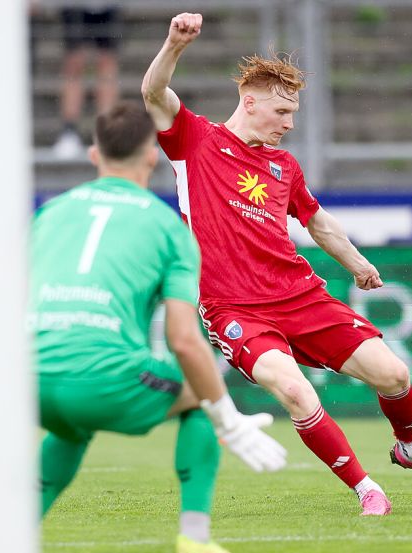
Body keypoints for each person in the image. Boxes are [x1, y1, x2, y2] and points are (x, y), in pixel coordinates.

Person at [141, 13, 412, 517]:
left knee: (392, 374)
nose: (289, 124)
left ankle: (411, 450)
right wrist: (174, 44)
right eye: (282, 111)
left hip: (300, 296)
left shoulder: (284, 166)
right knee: (294, 390)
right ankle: (366, 489)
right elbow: (154, 93)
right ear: (249, 102)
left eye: (294, 114)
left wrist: (357, 264)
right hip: (234, 307)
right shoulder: (195, 140)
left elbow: (318, 223)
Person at [31, 101, 287, 553]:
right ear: (152, 156)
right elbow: (184, 341)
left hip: (27, 381)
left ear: (94, 154)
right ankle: (194, 538)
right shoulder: (169, 229)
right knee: (200, 394)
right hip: (101, 378)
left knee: (70, 429)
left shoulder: (49, 215)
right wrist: (227, 420)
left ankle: (13, 532)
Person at [49, 4, 122, 158]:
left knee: (106, 63)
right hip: (75, 6)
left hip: (106, 6)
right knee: (74, 61)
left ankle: (106, 133)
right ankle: (69, 132)